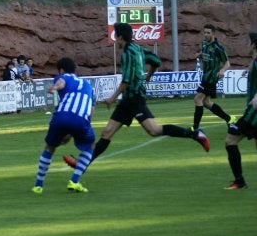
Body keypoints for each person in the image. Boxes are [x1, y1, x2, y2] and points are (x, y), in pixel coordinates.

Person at [63, 23, 211, 169]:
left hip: (134, 99)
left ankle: (196, 134)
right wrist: (149, 76)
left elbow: (126, 81)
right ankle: (82, 163)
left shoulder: (128, 53)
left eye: (116, 37)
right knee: (107, 132)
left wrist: (112, 97)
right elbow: (156, 61)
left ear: (121, 37)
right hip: (128, 100)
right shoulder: (139, 49)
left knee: (154, 130)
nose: (115, 41)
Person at [32, 57, 95, 194]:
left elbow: (61, 82)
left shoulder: (63, 77)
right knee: (89, 147)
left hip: (60, 117)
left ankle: (38, 185)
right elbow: (90, 111)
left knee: (49, 147)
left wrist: (54, 87)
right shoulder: (88, 85)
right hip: (81, 120)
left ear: (61, 70)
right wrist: (78, 131)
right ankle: (74, 181)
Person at [223, 32, 257, 190]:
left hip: (253, 113)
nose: (246, 46)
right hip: (252, 111)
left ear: (254, 45)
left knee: (230, 140)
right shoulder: (254, 61)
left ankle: (239, 181)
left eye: (248, 42)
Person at [192, 23, 233, 130]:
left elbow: (227, 63)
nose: (206, 35)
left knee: (197, 99)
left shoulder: (218, 47)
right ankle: (229, 118)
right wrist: (199, 54)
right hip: (205, 76)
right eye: (204, 32)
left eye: (208, 33)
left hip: (211, 77)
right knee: (206, 102)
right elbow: (205, 53)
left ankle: (195, 128)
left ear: (213, 34)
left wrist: (222, 70)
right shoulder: (204, 44)